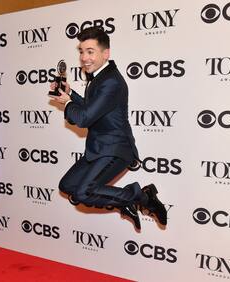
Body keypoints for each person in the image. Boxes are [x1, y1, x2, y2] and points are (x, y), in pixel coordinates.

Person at [49, 27, 167, 231]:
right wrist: (71, 94)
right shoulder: (99, 77)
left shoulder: (111, 81)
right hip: (98, 148)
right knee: (67, 186)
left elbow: (84, 118)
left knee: (84, 193)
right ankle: (125, 203)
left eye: (90, 51)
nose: (84, 57)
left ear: (106, 53)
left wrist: (68, 103)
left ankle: (141, 196)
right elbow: (92, 109)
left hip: (115, 148)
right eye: (81, 51)